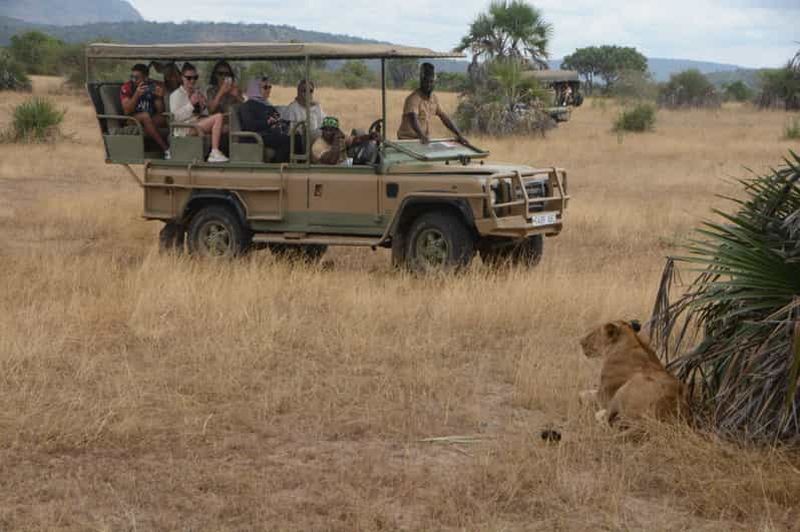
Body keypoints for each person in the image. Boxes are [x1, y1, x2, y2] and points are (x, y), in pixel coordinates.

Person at [169, 62, 228, 163]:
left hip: (195, 123)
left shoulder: (196, 92)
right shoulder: (176, 95)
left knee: (226, 127)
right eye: (189, 78)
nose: (192, 81)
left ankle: (220, 152)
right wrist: (191, 104)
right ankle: (214, 152)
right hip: (184, 129)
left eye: (195, 77)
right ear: (182, 78)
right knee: (218, 117)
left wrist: (202, 105)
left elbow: (202, 113)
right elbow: (176, 117)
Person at [397, 63, 467, 145]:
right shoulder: (413, 98)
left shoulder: (433, 98)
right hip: (407, 140)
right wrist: (422, 135)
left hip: (422, 140)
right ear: (421, 81)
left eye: (431, 82)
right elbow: (413, 119)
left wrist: (459, 134)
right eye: (426, 81)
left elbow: (444, 117)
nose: (428, 85)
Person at [238, 78, 296, 163]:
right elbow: (249, 125)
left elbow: (277, 117)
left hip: (267, 134)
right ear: (255, 89)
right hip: (255, 137)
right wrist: (267, 122)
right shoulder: (247, 106)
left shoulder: (265, 104)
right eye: (265, 87)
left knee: (297, 138)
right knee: (287, 141)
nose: (268, 90)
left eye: (270, 87)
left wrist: (285, 123)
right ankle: (277, 167)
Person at [119, 63, 170, 158]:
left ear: (146, 78)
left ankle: (178, 145)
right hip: (132, 119)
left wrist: (159, 97)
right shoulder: (127, 87)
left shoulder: (151, 86)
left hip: (150, 119)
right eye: (132, 77)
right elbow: (127, 111)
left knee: (166, 118)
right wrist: (136, 95)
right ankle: (166, 149)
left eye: (137, 78)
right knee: (145, 116)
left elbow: (160, 111)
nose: (133, 80)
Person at [311, 116, 379, 165]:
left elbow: (356, 140)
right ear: (322, 131)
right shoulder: (318, 146)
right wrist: (336, 140)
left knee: (367, 149)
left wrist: (370, 136)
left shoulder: (339, 138)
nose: (328, 132)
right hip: (329, 173)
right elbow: (331, 161)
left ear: (336, 131)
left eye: (331, 130)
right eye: (325, 129)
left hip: (343, 168)